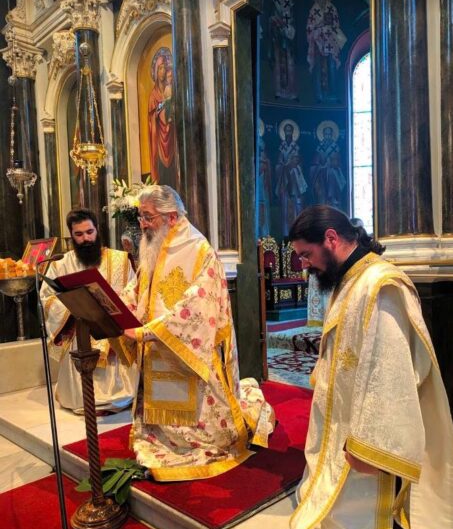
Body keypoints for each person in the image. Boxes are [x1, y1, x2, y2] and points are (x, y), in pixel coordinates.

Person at [288, 206, 453, 529]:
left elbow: (389, 371)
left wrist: (369, 445)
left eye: (306, 254)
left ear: (331, 239)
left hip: (364, 429)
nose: (304, 265)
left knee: (361, 514)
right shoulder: (348, 279)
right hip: (342, 410)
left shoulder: (380, 286)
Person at [120, 185, 274, 481]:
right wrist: (117, 309)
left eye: (148, 217)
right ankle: (162, 437)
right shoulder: (152, 246)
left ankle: (197, 440)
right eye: (141, 217)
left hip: (187, 349)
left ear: (172, 216)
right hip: (154, 346)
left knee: (204, 420)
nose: (143, 225)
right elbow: (139, 287)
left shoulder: (199, 249)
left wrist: (154, 331)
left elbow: (199, 304)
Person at [40, 208, 138, 414]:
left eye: (89, 232)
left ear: (97, 230)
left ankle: (117, 397)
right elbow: (47, 299)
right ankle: (82, 398)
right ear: (71, 235)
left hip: (112, 330)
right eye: (79, 234)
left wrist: (114, 304)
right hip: (80, 329)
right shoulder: (61, 264)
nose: (86, 238)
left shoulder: (120, 260)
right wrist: (74, 305)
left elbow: (133, 291)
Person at [306, 0, 346, 103]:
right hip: (318, 42)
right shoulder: (314, 9)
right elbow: (309, 27)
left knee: (332, 65)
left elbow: (336, 24)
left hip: (330, 41)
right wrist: (320, 25)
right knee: (318, 67)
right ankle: (319, 95)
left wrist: (330, 26)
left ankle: (333, 94)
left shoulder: (332, 8)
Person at [148, 47, 176, 187]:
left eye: (164, 68)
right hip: (159, 141)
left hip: (172, 139)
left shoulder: (170, 91)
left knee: (173, 175)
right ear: (155, 71)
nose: (162, 72)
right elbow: (152, 119)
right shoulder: (153, 95)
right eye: (160, 68)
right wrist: (162, 106)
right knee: (163, 176)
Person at [275, 121, 307, 236]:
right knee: (285, 208)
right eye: (286, 131)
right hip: (285, 180)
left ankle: (298, 233)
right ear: (284, 132)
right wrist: (283, 167)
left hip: (295, 181)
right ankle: (285, 234)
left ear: (293, 132)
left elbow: (300, 163)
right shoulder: (282, 147)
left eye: (290, 131)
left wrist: (294, 165)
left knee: (297, 206)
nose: (288, 133)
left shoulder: (296, 146)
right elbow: (278, 164)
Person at [269, 0, 297, 100]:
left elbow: (293, 19)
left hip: (288, 37)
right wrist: (276, 25)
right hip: (277, 37)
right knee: (278, 63)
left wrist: (288, 28)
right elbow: (270, 17)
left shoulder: (290, 2)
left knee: (289, 63)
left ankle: (291, 92)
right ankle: (279, 91)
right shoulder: (274, 2)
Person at [310, 123, 346, 208]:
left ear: (332, 135)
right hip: (321, 173)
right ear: (323, 135)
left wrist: (332, 163)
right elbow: (315, 162)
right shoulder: (319, 147)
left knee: (331, 173)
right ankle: (322, 204)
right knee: (320, 190)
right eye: (326, 134)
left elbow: (338, 162)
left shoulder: (335, 147)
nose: (327, 136)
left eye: (329, 134)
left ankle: (333, 200)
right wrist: (320, 165)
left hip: (333, 173)